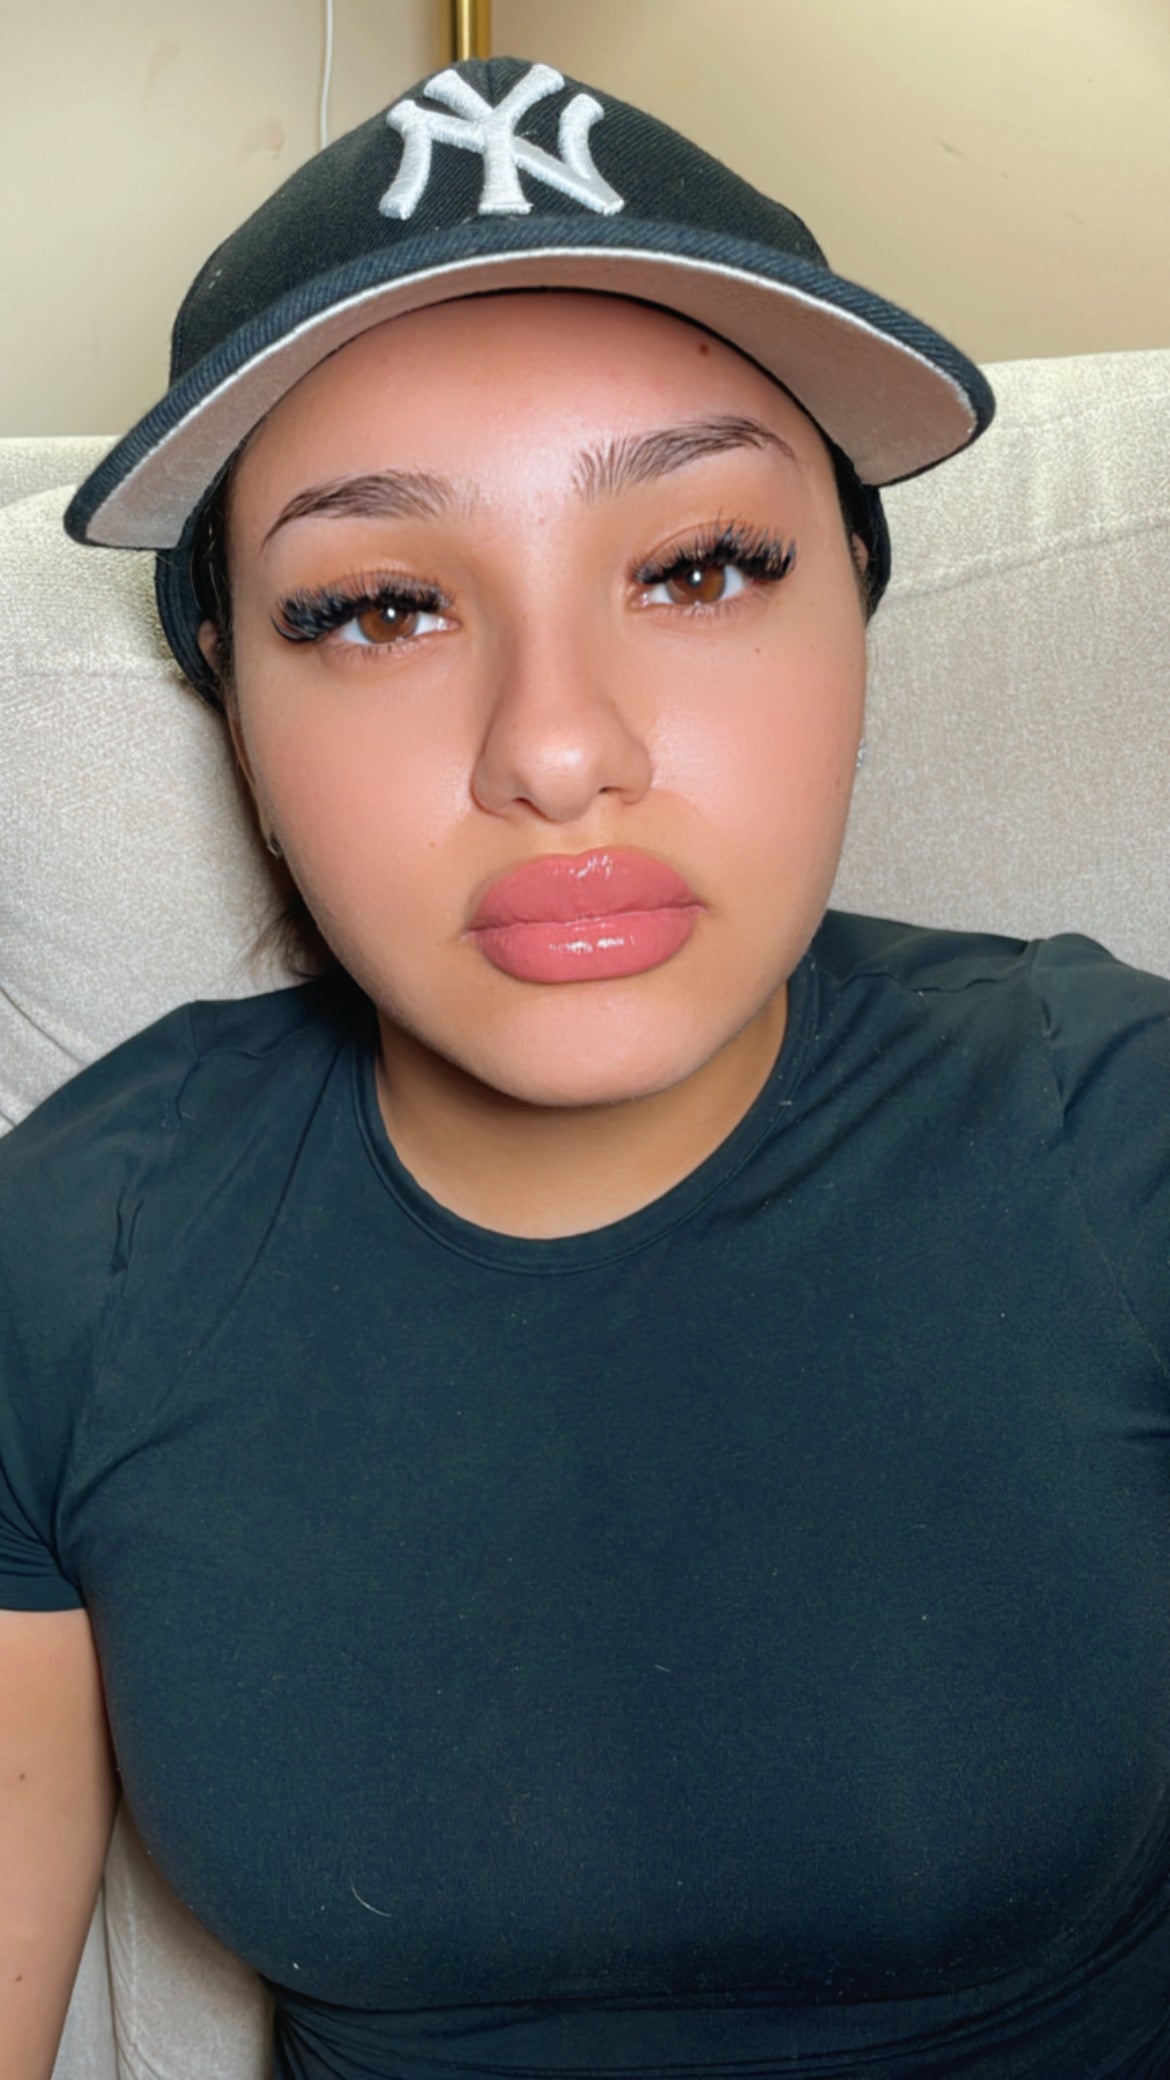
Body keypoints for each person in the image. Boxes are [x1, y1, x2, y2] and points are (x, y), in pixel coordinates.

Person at [2, 52, 1168, 2080]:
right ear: (236, 714)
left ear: (860, 623)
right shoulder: (72, 1248)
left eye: (698, 567)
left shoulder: (1118, 1133)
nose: (556, 747)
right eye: (379, 607)